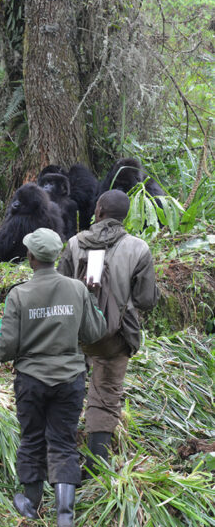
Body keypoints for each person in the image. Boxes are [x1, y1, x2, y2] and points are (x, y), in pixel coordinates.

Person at [0, 227, 106, 527]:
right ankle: (65, 515)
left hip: (31, 380)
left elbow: (5, 348)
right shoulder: (77, 289)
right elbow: (94, 333)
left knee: (32, 439)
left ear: (30, 258)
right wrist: (91, 299)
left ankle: (31, 503)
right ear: (56, 257)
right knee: (62, 442)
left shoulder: (18, 295)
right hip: (71, 379)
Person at [57, 189, 159, 476]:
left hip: (74, 333)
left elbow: (61, 287)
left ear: (98, 210)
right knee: (105, 394)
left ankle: (59, 455)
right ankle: (95, 466)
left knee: (67, 386)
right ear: (124, 216)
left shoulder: (75, 243)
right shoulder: (138, 248)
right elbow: (146, 300)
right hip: (114, 338)